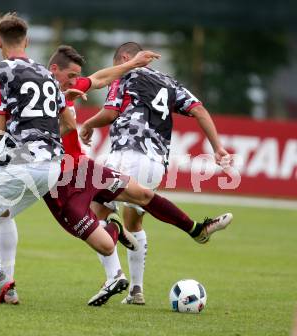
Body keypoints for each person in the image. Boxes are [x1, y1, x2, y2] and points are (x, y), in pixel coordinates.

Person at [0, 12, 158, 305]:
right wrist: (132, 63)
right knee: (3, 213)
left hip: (24, 159)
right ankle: (7, 291)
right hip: (54, 166)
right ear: (26, 41)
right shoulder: (46, 75)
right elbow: (67, 122)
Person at [79, 42, 232, 306]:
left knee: (91, 216)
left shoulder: (124, 73)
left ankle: (114, 275)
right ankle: (136, 290)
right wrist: (218, 148)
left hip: (127, 155)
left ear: (125, 58)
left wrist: (89, 124)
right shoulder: (169, 82)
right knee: (134, 222)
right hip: (156, 164)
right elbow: (199, 110)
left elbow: (111, 112)